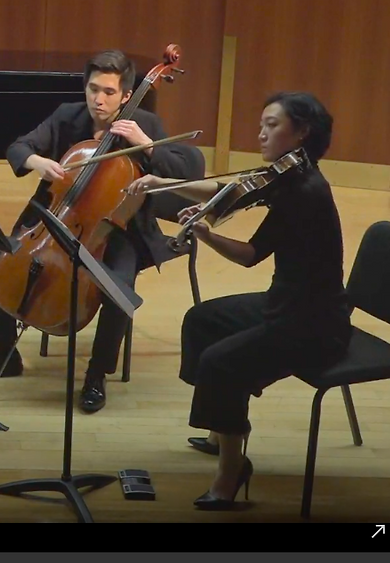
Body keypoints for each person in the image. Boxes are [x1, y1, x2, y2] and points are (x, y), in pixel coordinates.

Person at [128, 91, 350, 509]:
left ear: (301, 132)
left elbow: (250, 255)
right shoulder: (290, 173)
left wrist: (206, 235)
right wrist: (164, 183)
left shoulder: (304, 192)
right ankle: (221, 430)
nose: (261, 134)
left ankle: (232, 471)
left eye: (272, 125)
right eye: (262, 124)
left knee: (221, 362)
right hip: (286, 302)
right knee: (203, 320)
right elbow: (229, 192)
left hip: (313, 324)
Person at [0, 50, 203, 413]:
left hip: (118, 230)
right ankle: (3, 352)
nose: (98, 99)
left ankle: (96, 374)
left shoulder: (146, 123)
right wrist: (38, 162)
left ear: (126, 95)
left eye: (108, 92)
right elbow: (18, 147)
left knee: (118, 290)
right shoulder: (67, 117)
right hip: (57, 219)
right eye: (93, 89)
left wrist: (145, 144)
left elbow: (185, 171)